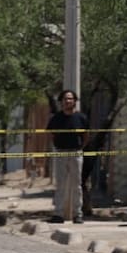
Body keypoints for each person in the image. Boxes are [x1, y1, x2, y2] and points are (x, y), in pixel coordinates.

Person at [46, 89, 88, 224]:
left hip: (76, 153)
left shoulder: (81, 118)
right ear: (61, 102)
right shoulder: (56, 118)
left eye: (70, 99)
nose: (67, 101)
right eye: (65, 99)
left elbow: (86, 135)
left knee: (77, 185)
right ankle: (58, 214)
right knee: (61, 184)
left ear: (75, 101)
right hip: (61, 152)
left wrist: (81, 147)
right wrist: (57, 146)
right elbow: (51, 134)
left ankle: (78, 214)